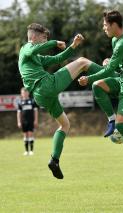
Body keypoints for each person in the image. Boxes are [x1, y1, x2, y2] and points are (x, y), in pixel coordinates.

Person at [77, 10, 123, 181]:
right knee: (98, 86)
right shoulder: (115, 40)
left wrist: (88, 78)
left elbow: (109, 70)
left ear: (114, 25)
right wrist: (111, 63)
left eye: (105, 25)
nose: (103, 28)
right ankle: (111, 120)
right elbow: (120, 65)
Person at [18, 23, 87, 179]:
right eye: (44, 37)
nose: (45, 40)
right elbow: (34, 48)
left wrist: (73, 46)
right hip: (45, 86)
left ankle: (54, 160)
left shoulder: (35, 57)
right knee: (82, 62)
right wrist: (55, 42)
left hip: (41, 96)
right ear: (33, 37)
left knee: (65, 124)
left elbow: (58, 58)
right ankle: (111, 74)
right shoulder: (26, 48)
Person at [17, 87, 39, 156]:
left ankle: (31, 151)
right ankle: (26, 151)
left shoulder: (32, 101)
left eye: (26, 92)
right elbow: (18, 113)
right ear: (21, 94)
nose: (25, 94)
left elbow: (36, 112)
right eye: (23, 93)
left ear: (28, 93)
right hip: (24, 121)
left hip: (31, 121)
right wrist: (19, 122)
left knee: (30, 134)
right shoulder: (20, 102)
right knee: (25, 135)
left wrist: (36, 120)